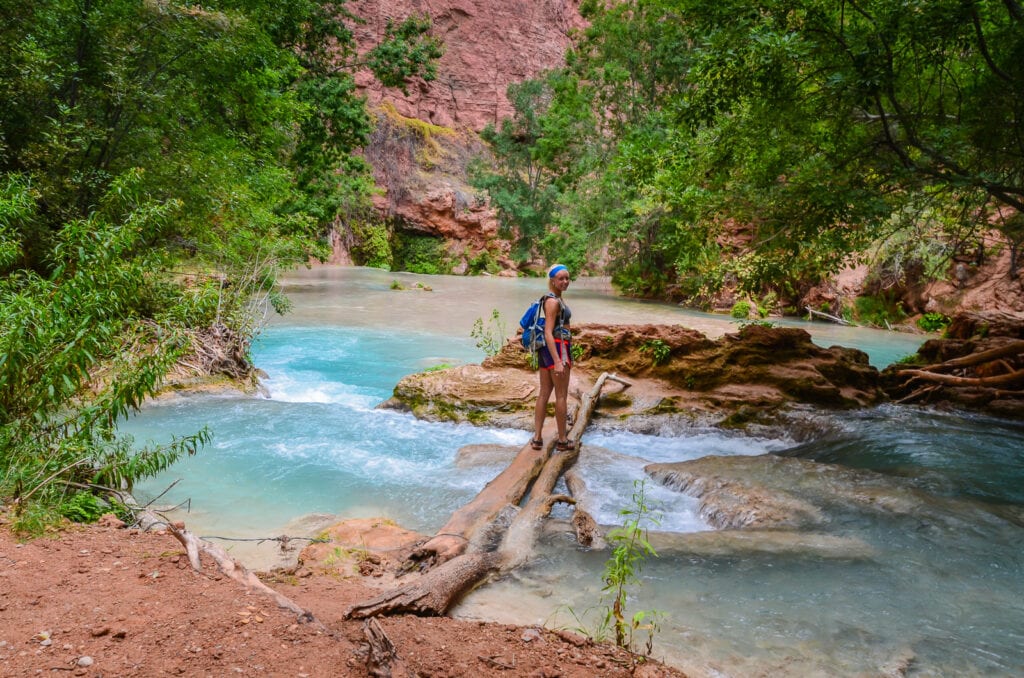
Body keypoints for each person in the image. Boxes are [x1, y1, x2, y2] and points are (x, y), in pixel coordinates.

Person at [531, 263, 574, 451]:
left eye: (567, 278)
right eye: (561, 278)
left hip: (548, 351)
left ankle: (537, 438)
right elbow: (548, 332)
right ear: (553, 280)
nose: (565, 281)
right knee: (561, 396)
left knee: (544, 393)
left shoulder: (553, 299)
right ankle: (563, 441)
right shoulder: (553, 302)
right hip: (557, 349)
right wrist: (558, 361)